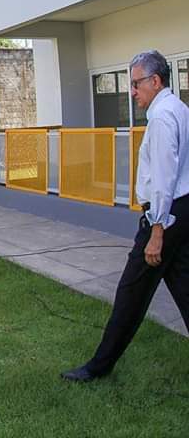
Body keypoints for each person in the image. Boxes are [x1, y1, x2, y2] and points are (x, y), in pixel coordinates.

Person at [62, 50, 189, 382]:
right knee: (184, 288)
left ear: (155, 80)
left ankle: (98, 367)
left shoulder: (162, 117)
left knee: (130, 294)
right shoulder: (178, 108)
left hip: (165, 218)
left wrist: (157, 232)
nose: (132, 92)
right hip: (181, 212)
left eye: (136, 84)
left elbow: (163, 179)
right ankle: (99, 365)